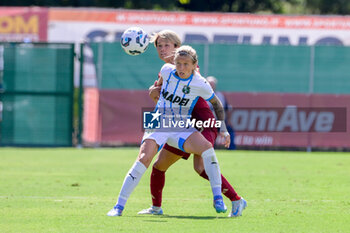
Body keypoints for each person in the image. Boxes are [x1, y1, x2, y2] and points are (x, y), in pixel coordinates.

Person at [107, 45, 230, 217]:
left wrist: (223, 128)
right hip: (158, 120)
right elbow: (156, 89)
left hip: (182, 124)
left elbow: (216, 104)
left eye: (186, 64)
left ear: (195, 65)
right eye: (178, 63)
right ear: (174, 62)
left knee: (207, 148)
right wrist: (154, 91)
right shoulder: (166, 70)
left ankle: (217, 197)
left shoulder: (200, 83)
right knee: (144, 158)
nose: (181, 68)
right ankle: (118, 206)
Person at [138, 30, 246, 218]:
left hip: (201, 123)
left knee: (201, 167)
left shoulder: (187, 69)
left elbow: (198, 95)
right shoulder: (165, 72)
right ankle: (156, 208)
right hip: (180, 125)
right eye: (159, 46)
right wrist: (154, 97)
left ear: (177, 48)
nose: (163, 50)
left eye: (167, 45)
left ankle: (236, 200)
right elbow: (164, 105)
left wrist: (223, 128)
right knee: (159, 166)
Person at [206, 76, 236, 150]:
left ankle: (231, 149)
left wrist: (228, 121)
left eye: (212, 84)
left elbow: (228, 109)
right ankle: (210, 149)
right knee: (208, 135)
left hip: (219, 121)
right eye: (209, 84)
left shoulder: (220, 95)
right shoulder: (202, 96)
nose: (211, 86)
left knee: (229, 130)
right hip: (207, 122)